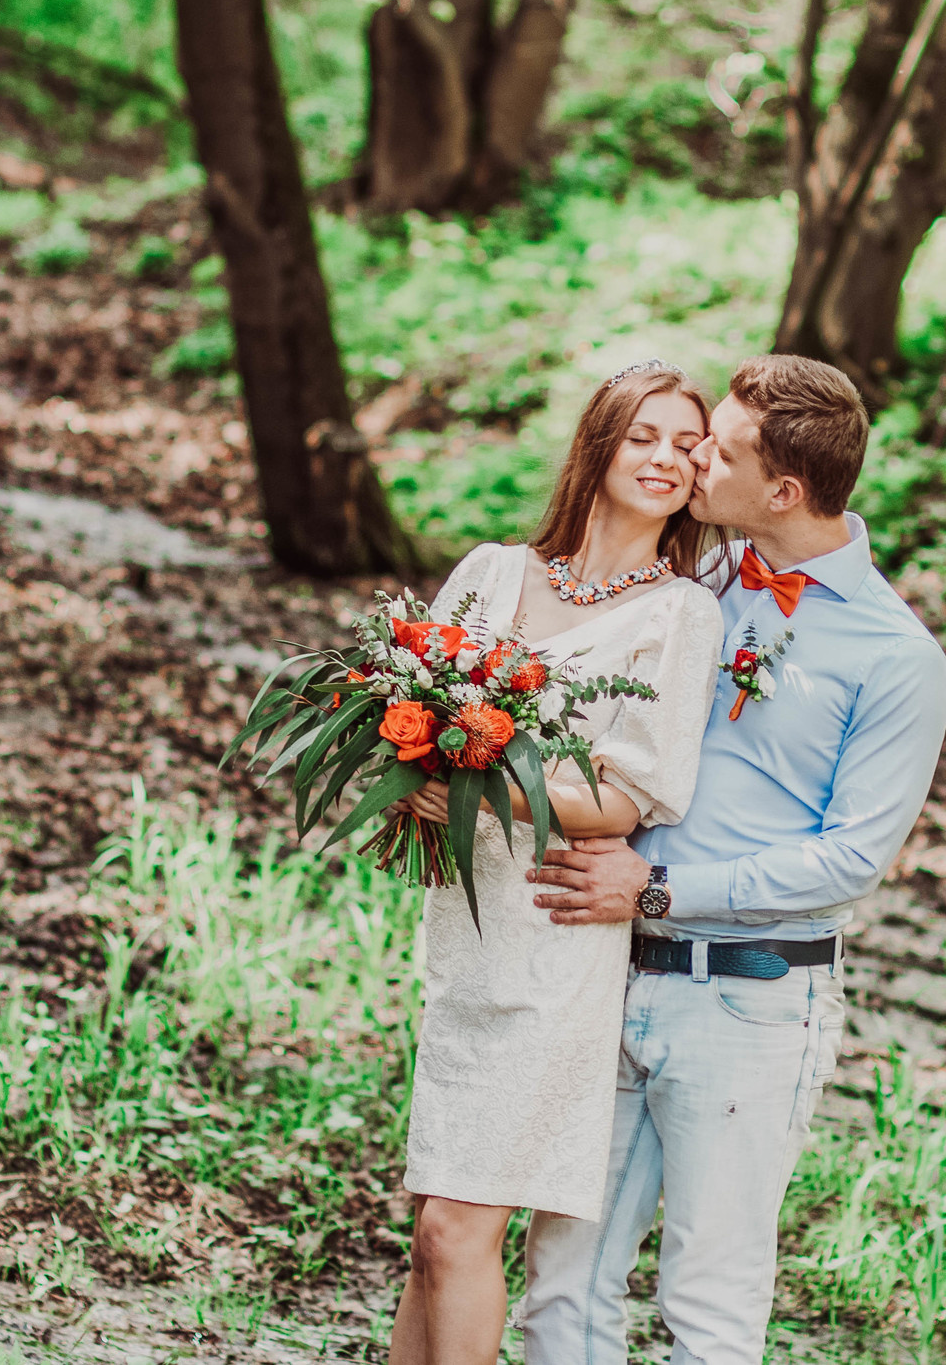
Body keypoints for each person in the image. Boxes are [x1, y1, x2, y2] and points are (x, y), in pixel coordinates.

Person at [520, 354, 946, 1365]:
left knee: (707, 1305)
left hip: (750, 1004)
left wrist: (660, 886)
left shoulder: (896, 658)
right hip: (606, 970)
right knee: (562, 1284)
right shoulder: (695, 582)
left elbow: (852, 858)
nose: (691, 458)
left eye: (714, 448)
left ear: (784, 491)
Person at [390, 359, 727, 1365]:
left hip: (554, 936)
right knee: (429, 1239)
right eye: (645, 437)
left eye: (686, 445)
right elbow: (405, 722)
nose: (665, 459)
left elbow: (631, 796)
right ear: (599, 443)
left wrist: (487, 779)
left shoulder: (679, 616)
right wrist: (412, 774)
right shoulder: (492, 574)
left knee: (461, 1230)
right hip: (465, 929)